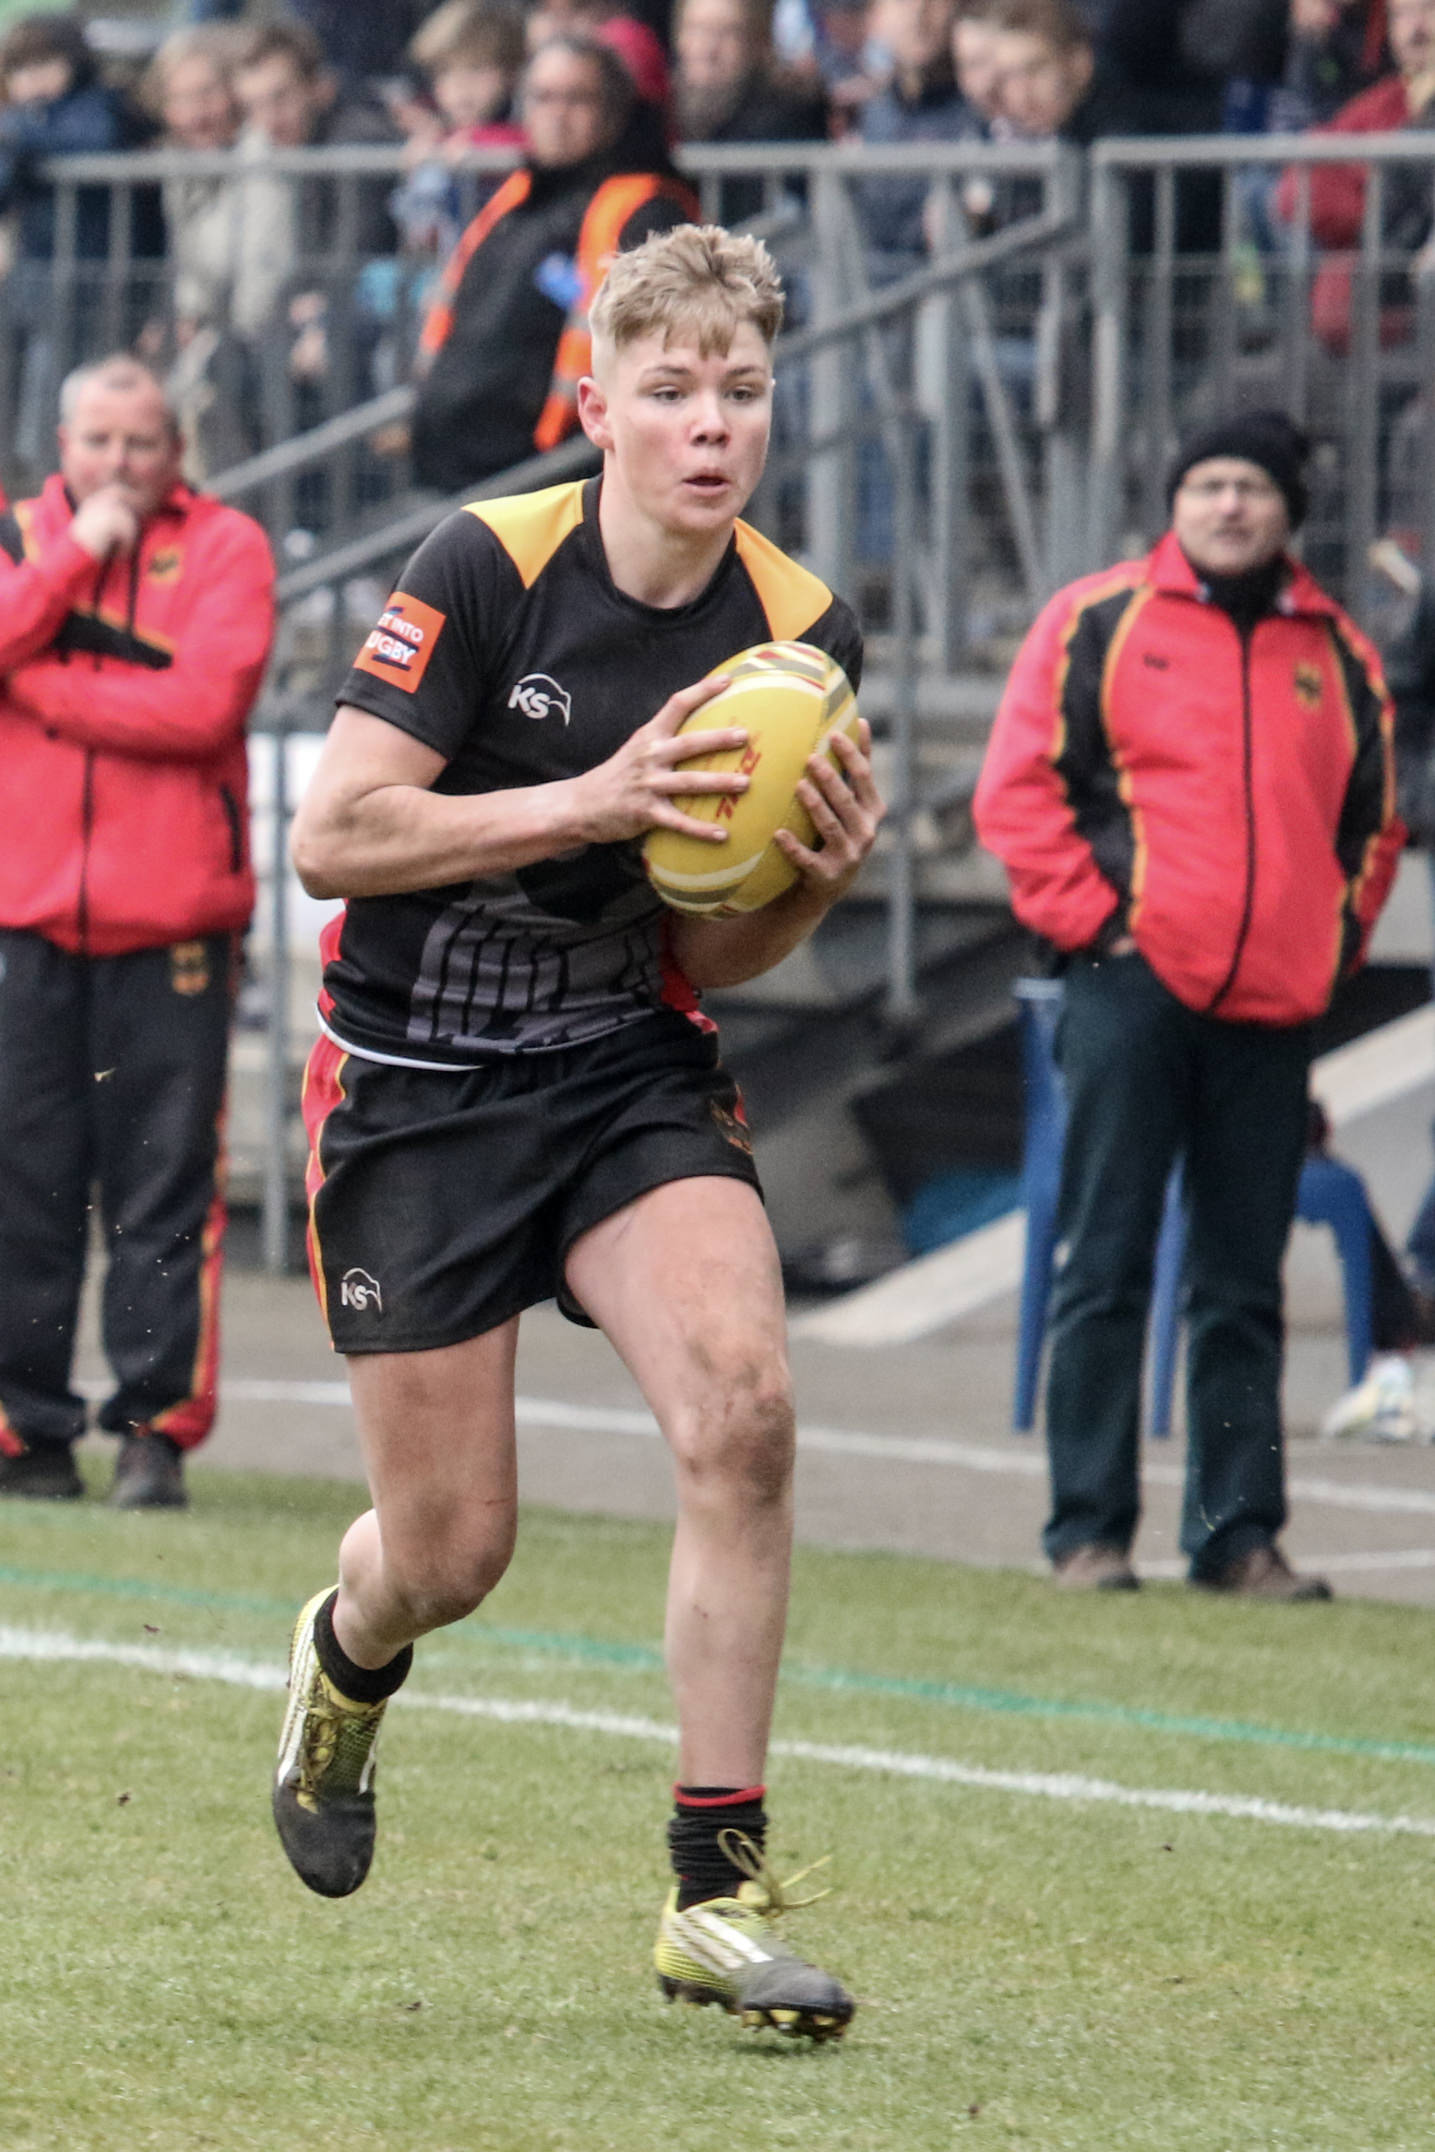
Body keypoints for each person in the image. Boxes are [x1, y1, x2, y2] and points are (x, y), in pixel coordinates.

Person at [273, 223, 880, 2039]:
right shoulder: (488, 562)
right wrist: (591, 798)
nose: (712, 424)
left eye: (742, 390)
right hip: (416, 1085)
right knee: (449, 1554)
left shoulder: (799, 634)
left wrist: (808, 886)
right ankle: (344, 1656)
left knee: (745, 1411)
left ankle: (714, 1894)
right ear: (598, 408)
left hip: (623, 1065)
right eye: (672, 390)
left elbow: (716, 948)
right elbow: (333, 839)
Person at [974, 409, 1403, 1598]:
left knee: (1242, 1280)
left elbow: (1373, 828)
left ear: (1287, 511)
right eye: (1206, 482)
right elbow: (1017, 793)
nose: (1227, 504)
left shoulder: (1339, 655)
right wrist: (1103, 926)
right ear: (1174, 499)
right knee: (1105, 1254)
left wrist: (1324, 947)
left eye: (1250, 487)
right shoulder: (1097, 621)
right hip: (1126, 987)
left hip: (1272, 1003)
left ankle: (1236, 1534)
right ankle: (1087, 1531)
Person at [0, 355, 275, 1509]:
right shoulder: (21, 537)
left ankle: (154, 1432)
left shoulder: (228, 546)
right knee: (22, 1184)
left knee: (164, 1190)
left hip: (173, 928)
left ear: (176, 450)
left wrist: (36, 685)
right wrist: (73, 558)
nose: (119, 461)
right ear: (62, 443)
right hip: (24, 919)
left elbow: (205, 706)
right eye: (99, 440)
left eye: (141, 442)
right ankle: (26, 1432)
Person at [410, 35, 698, 491]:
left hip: (550, 479)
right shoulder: (516, 199)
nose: (557, 115)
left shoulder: (646, 210)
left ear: (614, 113)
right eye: (543, 98)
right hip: (456, 467)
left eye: (577, 99)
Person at [673, 0, 829, 226]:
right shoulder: (661, 111)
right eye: (695, 29)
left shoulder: (785, 115)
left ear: (758, 42)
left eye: (728, 32)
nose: (707, 48)